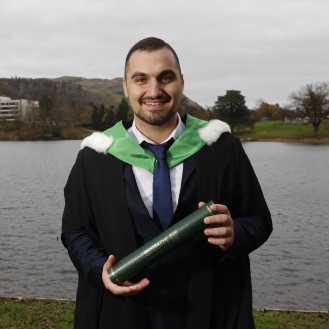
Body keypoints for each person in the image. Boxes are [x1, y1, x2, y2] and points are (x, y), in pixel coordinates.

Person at [61, 37, 272, 329]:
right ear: (125, 86)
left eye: (166, 77)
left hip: (209, 311)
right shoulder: (96, 157)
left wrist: (236, 233)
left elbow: (259, 219)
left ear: (181, 82)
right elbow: (75, 230)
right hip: (122, 313)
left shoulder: (222, 149)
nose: (154, 90)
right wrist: (100, 271)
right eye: (141, 79)